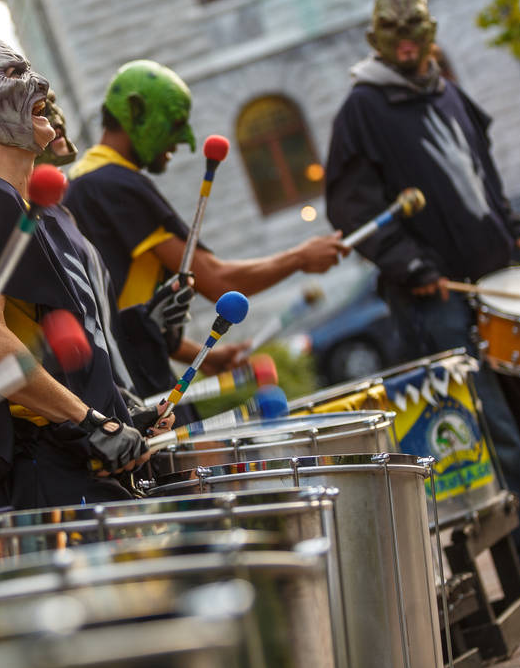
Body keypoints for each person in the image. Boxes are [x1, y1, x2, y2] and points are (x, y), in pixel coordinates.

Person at [325, 0, 520, 603]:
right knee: (494, 429)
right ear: (377, 41)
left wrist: (515, 226)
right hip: (435, 298)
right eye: (394, 32)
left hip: (502, 281)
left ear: (431, 29)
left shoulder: (448, 93)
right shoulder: (361, 111)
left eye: (414, 28)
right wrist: (410, 262)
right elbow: (352, 207)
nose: (407, 40)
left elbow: (483, 178)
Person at [0, 37, 178, 509]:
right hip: (48, 474)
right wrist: (90, 422)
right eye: (11, 75)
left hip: (73, 462)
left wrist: (120, 416)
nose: (38, 82)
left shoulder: (24, 206)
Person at [63, 60, 348, 410]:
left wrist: (198, 355)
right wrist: (300, 258)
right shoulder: (114, 185)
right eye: (176, 122)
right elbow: (214, 281)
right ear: (136, 112)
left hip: (114, 385)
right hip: (136, 384)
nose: (185, 141)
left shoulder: (79, 187)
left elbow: (125, 313)